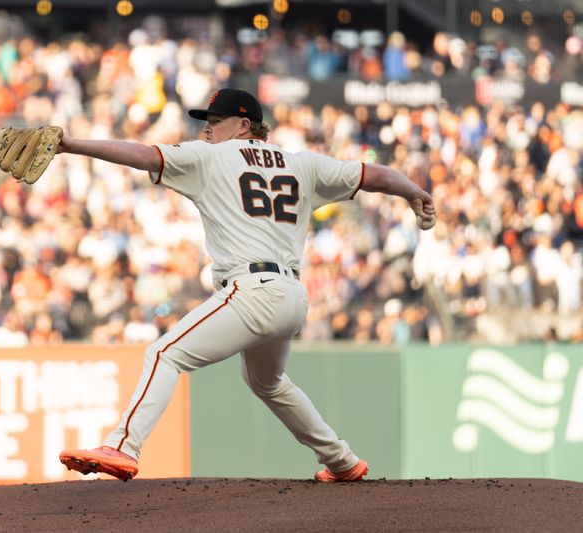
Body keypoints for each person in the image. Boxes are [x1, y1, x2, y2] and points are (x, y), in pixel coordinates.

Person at [58, 88, 436, 482]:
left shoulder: (209, 156)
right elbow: (374, 174)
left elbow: (141, 155)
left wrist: (71, 145)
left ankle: (122, 446)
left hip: (252, 290)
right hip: (291, 296)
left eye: (214, 123)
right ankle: (341, 460)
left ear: (243, 125)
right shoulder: (301, 164)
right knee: (267, 381)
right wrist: (413, 192)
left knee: (164, 353)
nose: (206, 131)